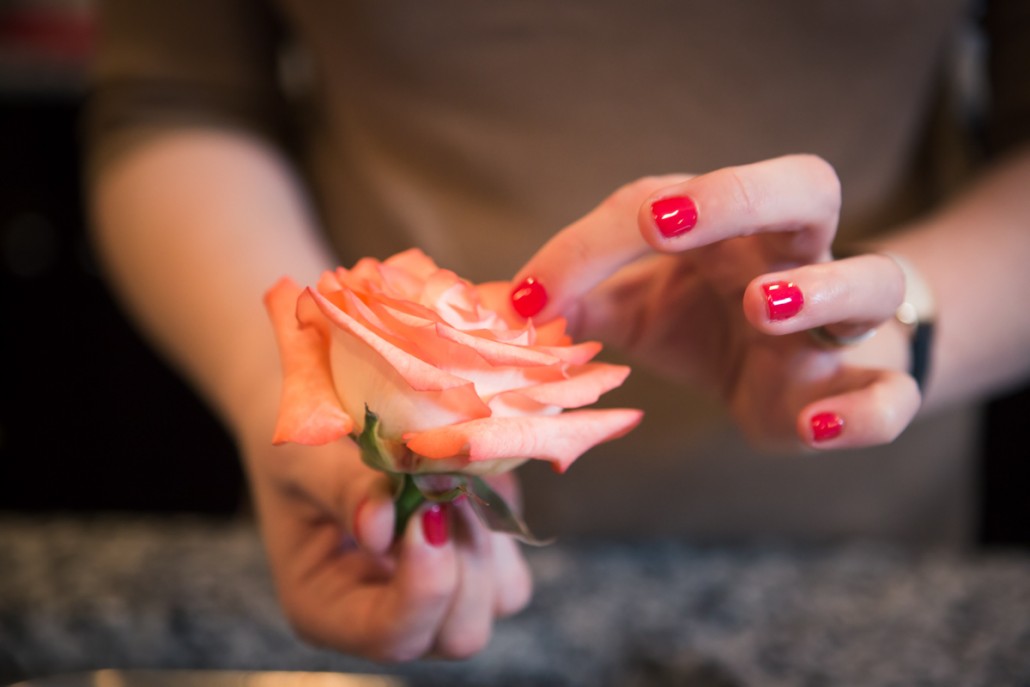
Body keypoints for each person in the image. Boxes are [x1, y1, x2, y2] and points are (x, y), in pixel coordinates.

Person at [83, 0, 1030, 662]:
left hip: (856, 571)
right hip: (354, 532)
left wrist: (891, 323)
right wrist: (283, 400)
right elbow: (176, 99)